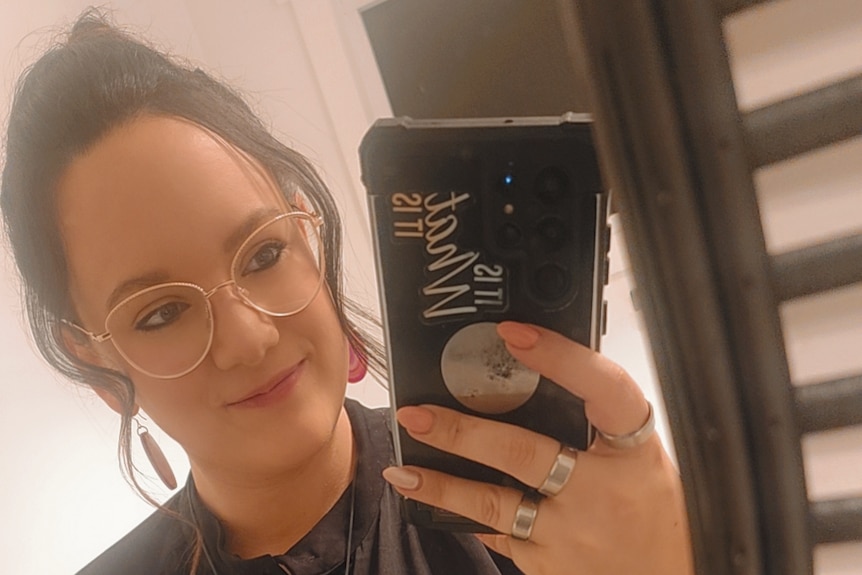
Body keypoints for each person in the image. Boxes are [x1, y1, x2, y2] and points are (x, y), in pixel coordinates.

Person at [1, 10, 693, 575]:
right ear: (96, 362)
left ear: (310, 237)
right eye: (161, 312)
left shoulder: (544, 521)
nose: (250, 337)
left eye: (264, 252)